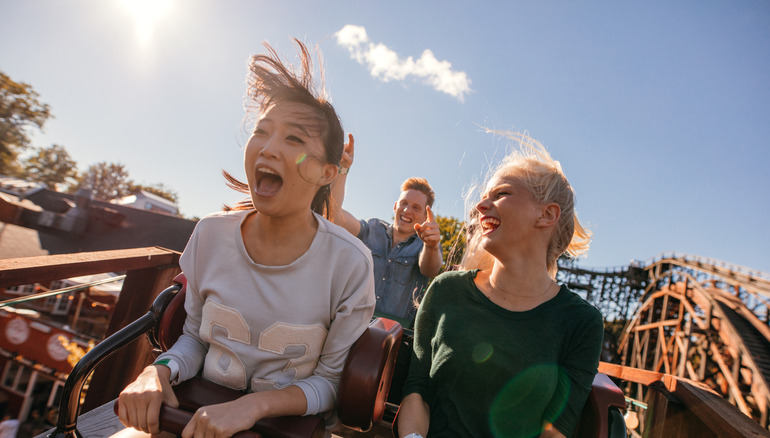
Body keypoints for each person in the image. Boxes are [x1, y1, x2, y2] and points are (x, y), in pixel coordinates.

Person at [113, 39, 375, 438]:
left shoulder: (350, 264)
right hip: (190, 418)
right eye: (262, 132)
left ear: (327, 173)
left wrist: (252, 407)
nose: (268, 148)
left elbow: (329, 384)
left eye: (294, 140)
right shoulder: (210, 234)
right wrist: (156, 372)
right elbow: (195, 340)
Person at [397, 132, 603, 438]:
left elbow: (557, 430)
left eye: (501, 194)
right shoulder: (445, 290)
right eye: (484, 196)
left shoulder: (581, 322)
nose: (481, 205)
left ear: (546, 215)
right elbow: (417, 390)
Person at [330, 136, 443, 328]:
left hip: (393, 336)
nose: (407, 210)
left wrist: (432, 246)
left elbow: (430, 270)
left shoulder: (424, 246)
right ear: (395, 206)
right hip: (348, 323)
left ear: (425, 216)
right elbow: (335, 216)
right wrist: (342, 170)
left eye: (416, 208)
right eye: (404, 203)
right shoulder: (372, 228)